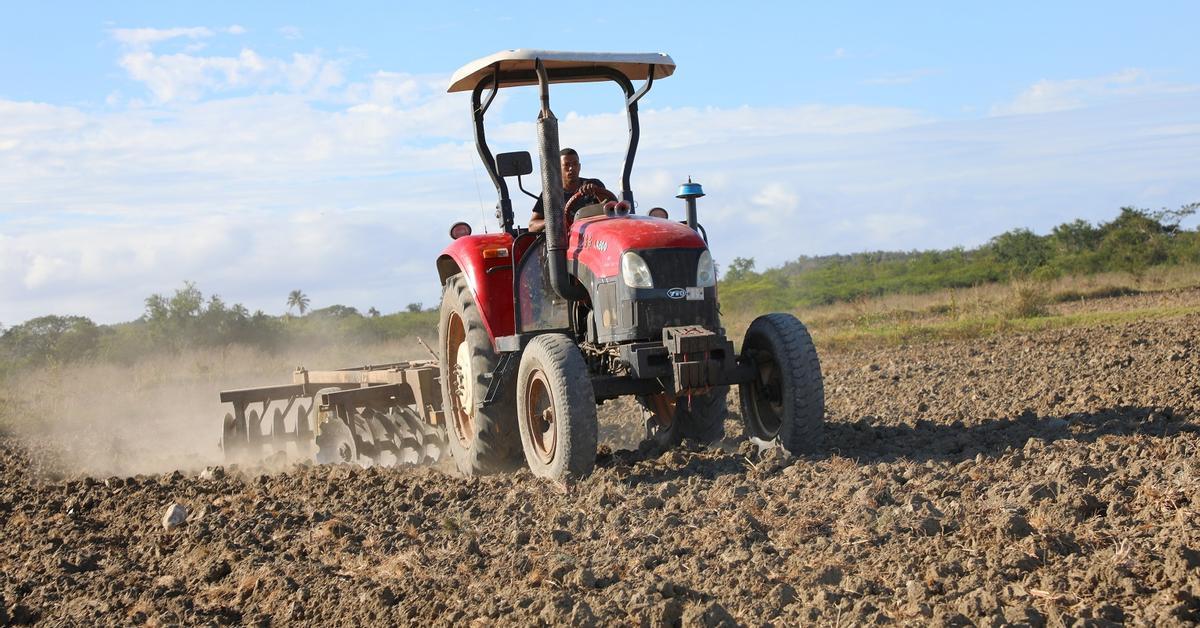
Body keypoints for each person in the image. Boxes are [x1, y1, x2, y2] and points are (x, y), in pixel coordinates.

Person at [528, 148, 611, 232]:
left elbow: (611, 211)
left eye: (575, 164)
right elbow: (532, 226)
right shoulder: (551, 193)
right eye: (567, 165)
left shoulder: (594, 185)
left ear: (579, 167)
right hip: (563, 241)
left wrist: (597, 193)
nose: (571, 168)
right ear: (558, 169)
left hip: (592, 236)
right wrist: (551, 221)